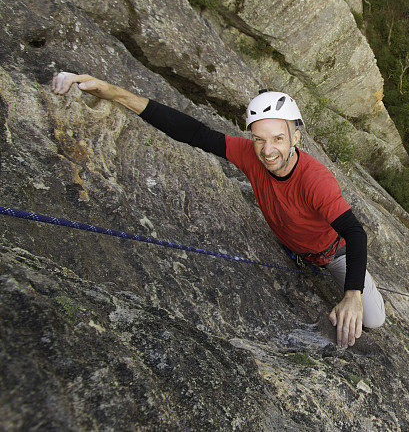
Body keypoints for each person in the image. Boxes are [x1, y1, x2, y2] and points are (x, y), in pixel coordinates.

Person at [51, 71, 385, 347]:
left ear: (296, 137)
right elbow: (193, 132)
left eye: (278, 139)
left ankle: (362, 289)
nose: (268, 150)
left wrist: (352, 294)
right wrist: (112, 92)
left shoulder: (316, 180)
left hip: (332, 253)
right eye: (259, 139)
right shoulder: (250, 154)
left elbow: (355, 233)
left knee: (373, 320)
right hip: (291, 245)